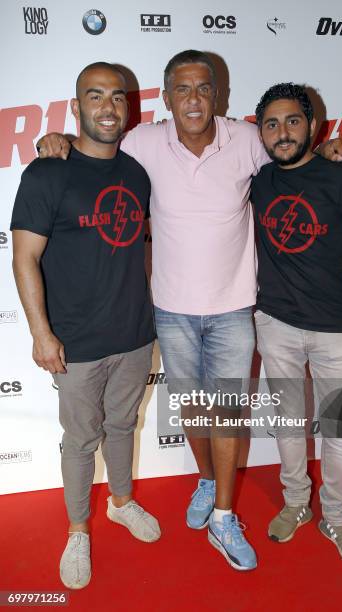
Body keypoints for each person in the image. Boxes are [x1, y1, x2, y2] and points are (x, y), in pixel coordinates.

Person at [36, 50, 342, 571]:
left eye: (202, 88)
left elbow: (292, 155)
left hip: (233, 310)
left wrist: (334, 148)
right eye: (181, 89)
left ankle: (225, 519)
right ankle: (207, 481)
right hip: (171, 312)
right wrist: (62, 141)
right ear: (165, 98)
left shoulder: (247, 139)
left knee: (225, 416)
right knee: (195, 413)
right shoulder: (142, 142)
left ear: (217, 95)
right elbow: (99, 143)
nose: (193, 99)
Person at [11, 62, 159, 590]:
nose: (107, 107)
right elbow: (24, 258)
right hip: (75, 342)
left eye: (117, 98)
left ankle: (121, 503)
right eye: (94, 97)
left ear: (128, 108)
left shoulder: (138, 173)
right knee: (80, 440)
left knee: (122, 427)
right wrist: (41, 333)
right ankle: (78, 530)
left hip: (136, 334)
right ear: (77, 108)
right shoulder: (48, 172)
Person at [251, 83, 342, 565]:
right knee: (287, 425)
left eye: (292, 122)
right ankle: (294, 504)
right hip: (276, 323)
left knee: (339, 432)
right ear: (260, 131)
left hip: (336, 328)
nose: (282, 133)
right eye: (271, 124)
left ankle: (337, 519)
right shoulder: (258, 179)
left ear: (313, 126)